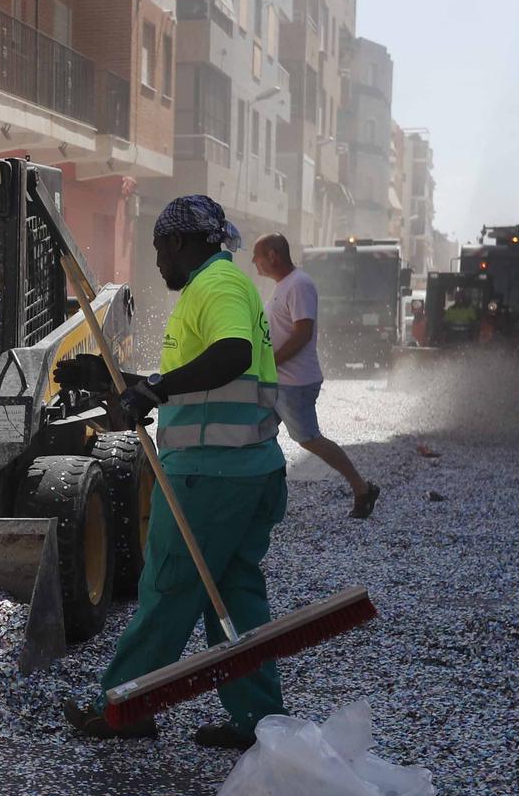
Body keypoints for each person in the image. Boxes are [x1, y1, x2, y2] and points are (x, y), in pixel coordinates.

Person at [65, 195, 288, 750]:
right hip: (246, 468)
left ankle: (126, 707)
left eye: (159, 251)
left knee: (168, 588)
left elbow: (232, 355)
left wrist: (157, 388)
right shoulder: (224, 286)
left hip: (210, 475)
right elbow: (207, 377)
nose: (158, 264)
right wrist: (124, 381)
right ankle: (258, 720)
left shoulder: (215, 286)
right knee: (233, 596)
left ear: (178, 243)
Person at [251, 233, 380, 519]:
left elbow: (303, 333)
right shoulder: (283, 286)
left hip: (294, 382)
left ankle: (361, 488)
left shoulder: (299, 285)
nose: (253, 262)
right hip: (277, 381)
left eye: (256, 255)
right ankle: (259, 499)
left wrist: (271, 362)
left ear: (272, 255)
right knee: (257, 435)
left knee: (310, 440)